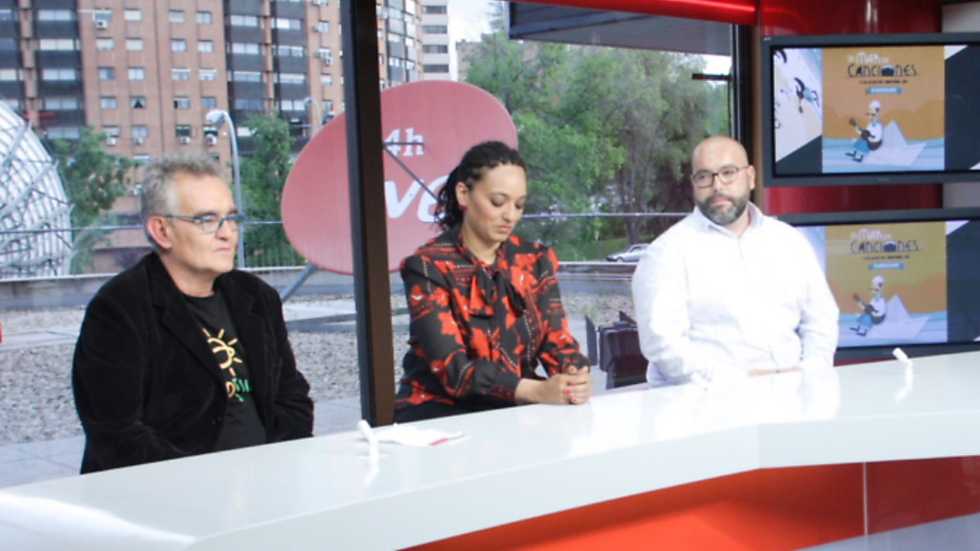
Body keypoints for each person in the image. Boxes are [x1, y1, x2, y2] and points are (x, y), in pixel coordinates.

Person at [72, 155, 314, 473]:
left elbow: (292, 397)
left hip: (264, 480)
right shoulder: (119, 310)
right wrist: (209, 483)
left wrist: (270, 469)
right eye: (207, 220)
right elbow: (118, 435)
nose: (228, 233)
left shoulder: (256, 297)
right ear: (162, 230)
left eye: (231, 218)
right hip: (168, 493)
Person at [394, 141, 591, 421]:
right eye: (498, 202)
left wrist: (573, 375)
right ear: (463, 194)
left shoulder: (535, 260)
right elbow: (454, 370)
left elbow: (556, 340)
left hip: (514, 409)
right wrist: (536, 391)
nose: (510, 215)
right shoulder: (427, 266)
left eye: (519, 205)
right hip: (439, 414)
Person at [631, 136, 839, 386]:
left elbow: (821, 318)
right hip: (706, 400)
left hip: (794, 393)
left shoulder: (789, 241)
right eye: (704, 176)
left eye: (728, 172)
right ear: (694, 184)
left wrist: (810, 373)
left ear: (750, 177)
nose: (717, 186)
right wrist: (740, 382)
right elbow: (663, 344)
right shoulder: (666, 253)